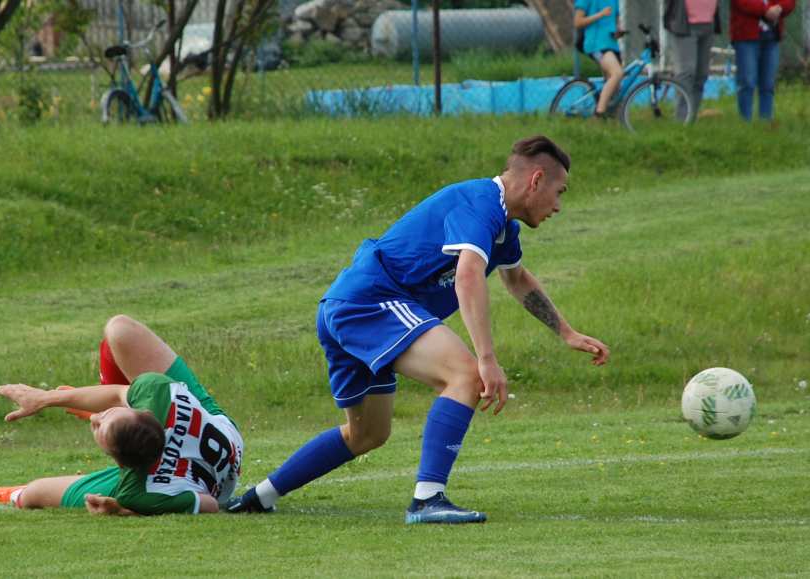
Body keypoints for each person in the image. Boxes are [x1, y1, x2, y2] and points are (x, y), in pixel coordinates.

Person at [227, 136, 610, 524]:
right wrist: (487, 359)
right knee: (465, 374)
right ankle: (428, 500)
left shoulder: (504, 229)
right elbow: (468, 275)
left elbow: (517, 279)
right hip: (370, 302)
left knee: (368, 435)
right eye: (559, 193)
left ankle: (260, 496)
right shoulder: (481, 204)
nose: (558, 206)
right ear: (536, 180)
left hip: (347, 307)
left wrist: (566, 333)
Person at [0, 315, 244, 516]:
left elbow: (208, 504)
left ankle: (7, 493)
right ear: (143, 412)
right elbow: (117, 394)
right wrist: (43, 399)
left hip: (203, 480)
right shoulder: (156, 390)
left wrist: (126, 509)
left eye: (97, 425)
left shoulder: (136, 491)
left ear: (118, 463)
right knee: (119, 330)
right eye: (100, 418)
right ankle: (112, 423)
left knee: (36, 492)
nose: (95, 419)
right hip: (223, 432)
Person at [730, 0, 795, 121]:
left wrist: (780, 8)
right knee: (747, 82)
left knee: (768, 83)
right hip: (746, 36)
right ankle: (745, 122)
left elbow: (790, 2)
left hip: (772, 36)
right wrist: (765, 10)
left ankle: (765, 122)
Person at [664, 0, 722, 120]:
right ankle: (682, 120)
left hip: (708, 23)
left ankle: (692, 118)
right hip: (684, 24)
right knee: (686, 73)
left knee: (701, 74)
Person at [574, 0, 625, 119]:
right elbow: (578, 22)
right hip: (596, 44)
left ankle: (613, 120)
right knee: (617, 73)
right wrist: (600, 14)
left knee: (615, 87)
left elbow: (615, 21)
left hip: (612, 44)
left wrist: (618, 30)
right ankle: (598, 115)